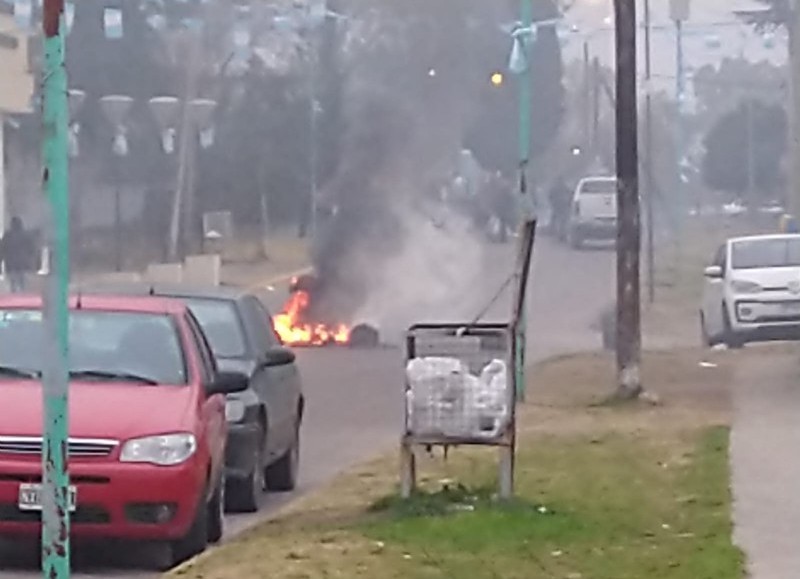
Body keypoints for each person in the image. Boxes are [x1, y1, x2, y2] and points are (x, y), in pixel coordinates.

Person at [1, 217, 37, 293]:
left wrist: (1, 260)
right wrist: (31, 260)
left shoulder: (7, 236)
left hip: (10, 263)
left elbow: (2, 249)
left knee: (13, 281)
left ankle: (14, 292)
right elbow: (32, 248)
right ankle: (22, 293)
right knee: (22, 281)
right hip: (23, 262)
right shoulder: (25, 235)